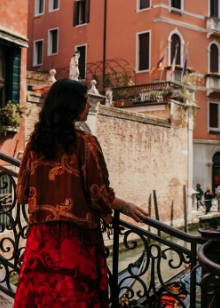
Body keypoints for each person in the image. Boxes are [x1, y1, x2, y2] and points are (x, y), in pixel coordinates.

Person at [14, 79, 149, 308]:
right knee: (75, 299)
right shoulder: (86, 143)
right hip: (75, 243)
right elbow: (98, 195)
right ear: (71, 104)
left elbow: (21, 194)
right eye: (85, 101)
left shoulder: (34, 145)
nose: (88, 106)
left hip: (41, 239)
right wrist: (125, 206)